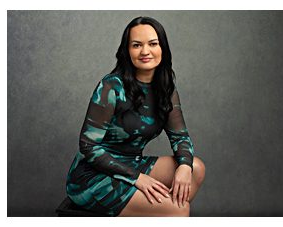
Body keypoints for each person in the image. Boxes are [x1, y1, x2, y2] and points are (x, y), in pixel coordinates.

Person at [65, 16, 205, 217]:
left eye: (153, 44)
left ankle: (156, 213)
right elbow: (88, 146)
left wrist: (184, 166)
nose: (145, 51)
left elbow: (180, 137)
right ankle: (167, 212)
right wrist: (136, 178)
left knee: (195, 168)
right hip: (93, 175)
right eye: (136, 45)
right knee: (179, 210)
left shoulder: (166, 89)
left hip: (132, 162)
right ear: (127, 51)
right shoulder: (111, 87)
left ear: (162, 48)